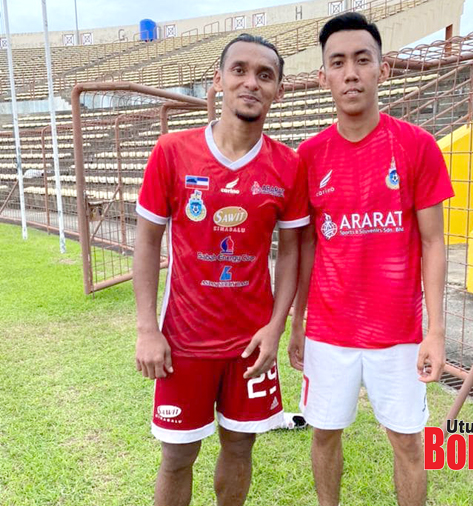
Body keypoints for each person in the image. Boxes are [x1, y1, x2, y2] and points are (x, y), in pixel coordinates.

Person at [133, 33, 308, 506]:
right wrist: (148, 329)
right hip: (183, 341)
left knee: (239, 445)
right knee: (176, 456)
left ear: (279, 90)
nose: (251, 82)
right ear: (218, 81)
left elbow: (291, 251)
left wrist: (276, 329)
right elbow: (147, 239)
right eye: (240, 71)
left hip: (250, 342)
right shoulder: (172, 151)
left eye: (265, 75)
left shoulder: (289, 166)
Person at [288, 13, 454, 506]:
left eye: (363, 60)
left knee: (406, 441)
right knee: (323, 435)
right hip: (328, 331)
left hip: (399, 333)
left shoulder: (417, 146)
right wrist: (298, 322)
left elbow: (434, 242)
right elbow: (307, 246)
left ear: (383, 69)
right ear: (323, 77)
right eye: (337, 63)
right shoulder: (309, 156)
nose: (351, 72)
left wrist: (436, 330)